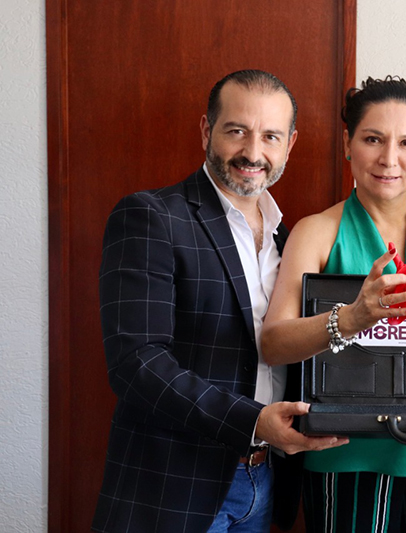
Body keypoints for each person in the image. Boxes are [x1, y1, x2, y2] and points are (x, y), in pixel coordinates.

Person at [92, 70, 346, 533]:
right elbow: (136, 364)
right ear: (207, 130)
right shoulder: (151, 217)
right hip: (172, 488)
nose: (253, 152)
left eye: (270, 136)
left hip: (267, 481)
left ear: (290, 144)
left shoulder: (290, 242)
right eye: (237, 131)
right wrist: (252, 421)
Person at [262, 76, 406, 532]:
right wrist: (351, 318)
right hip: (345, 454)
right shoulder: (316, 231)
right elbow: (273, 343)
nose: (389, 158)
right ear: (348, 145)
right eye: (372, 139)